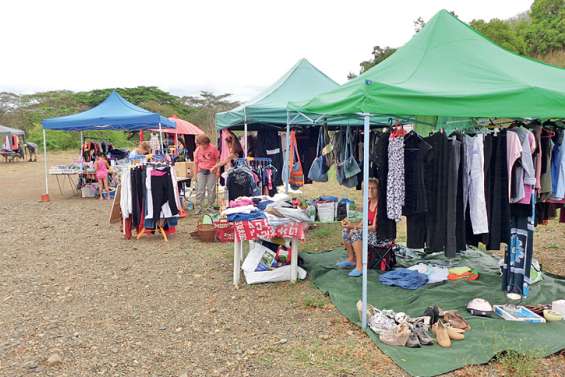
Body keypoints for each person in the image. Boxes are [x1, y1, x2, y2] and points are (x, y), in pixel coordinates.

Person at [337, 178, 380, 277]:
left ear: (378, 190)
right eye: (368, 188)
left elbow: (374, 227)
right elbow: (363, 221)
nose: (370, 191)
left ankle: (360, 266)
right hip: (370, 232)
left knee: (356, 234)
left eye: (373, 188)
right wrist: (352, 227)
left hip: (380, 236)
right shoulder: (368, 203)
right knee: (346, 230)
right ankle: (351, 259)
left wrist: (356, 228)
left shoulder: (380, 205)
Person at [194, 134, 220, 213]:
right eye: (202, 145)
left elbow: (218, 159)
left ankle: (210, 206)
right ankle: (198, 207)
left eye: (205, 144)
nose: (204, 146)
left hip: (212, 171)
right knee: (200, 189)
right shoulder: (198, 150)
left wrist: (218, 170)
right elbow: (195, 162)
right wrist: (195, 174)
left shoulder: (213, 148)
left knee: (211, 189)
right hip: (201, 171)